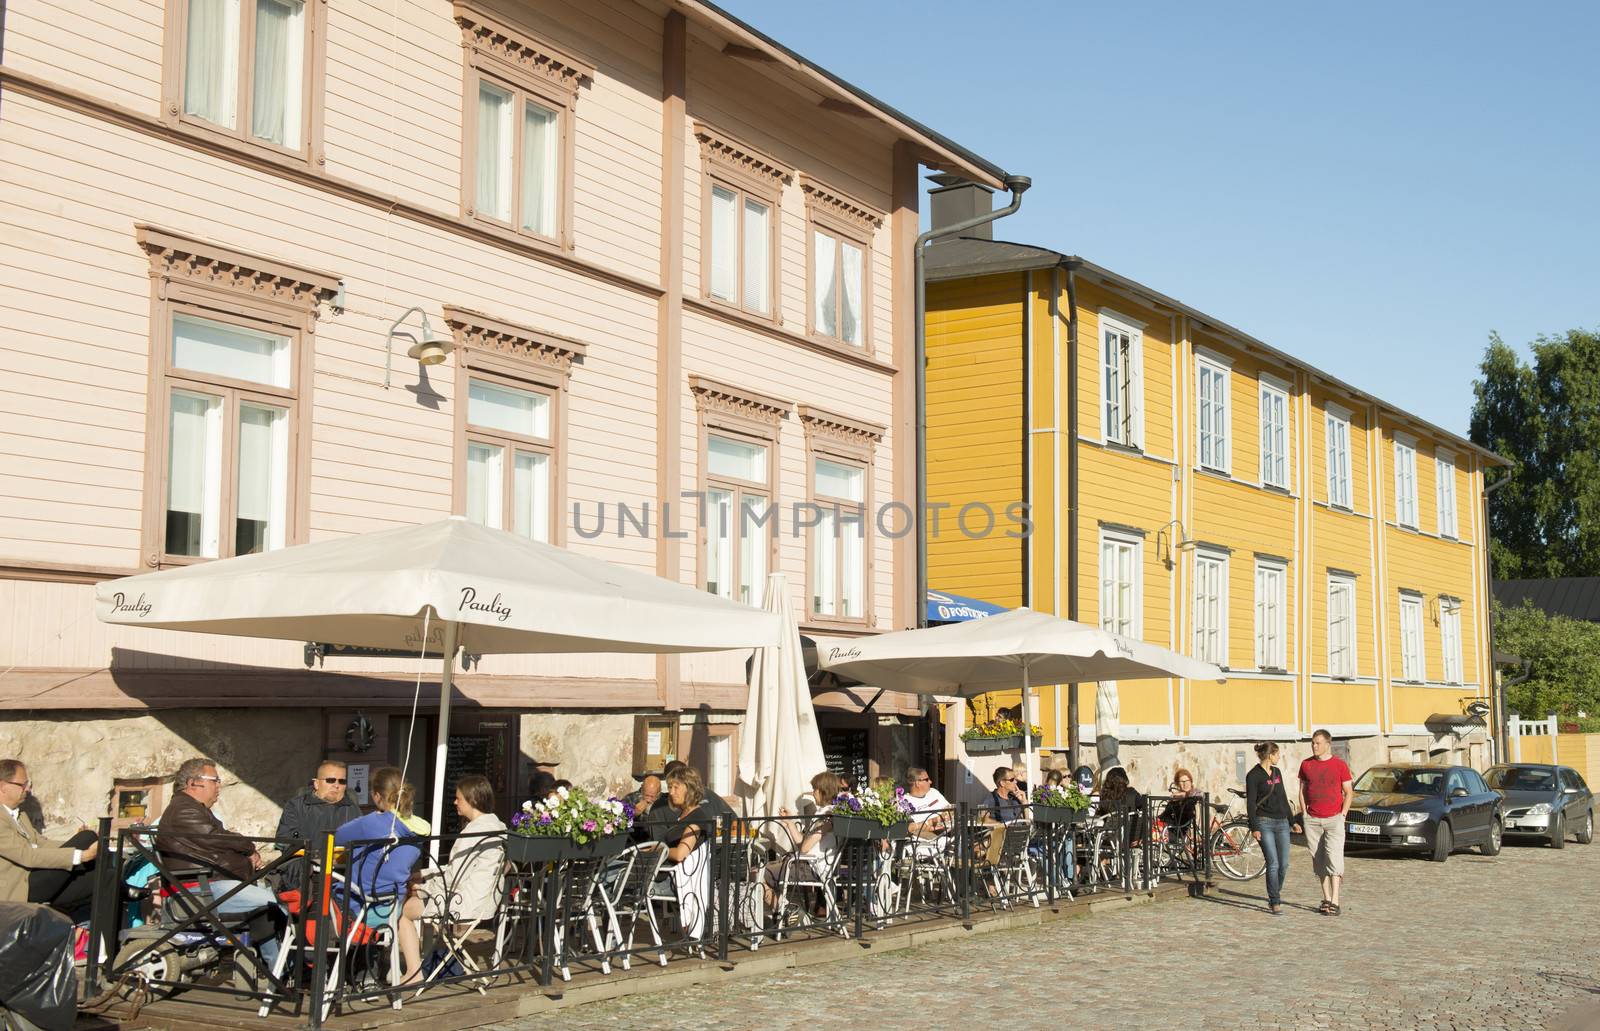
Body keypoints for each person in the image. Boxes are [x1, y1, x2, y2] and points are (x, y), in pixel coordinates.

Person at [156, 758, 285, 970]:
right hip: (201, 890)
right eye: (215, 780)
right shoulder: (184, 810)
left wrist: (245, 854)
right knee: (276, 902)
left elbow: (217, 841)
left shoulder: (194, 809)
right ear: (193, 783)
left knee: (271, 904)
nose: (219, 786)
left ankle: (278, 969)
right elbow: (216, 838)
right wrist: (248, 849)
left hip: (213, 883)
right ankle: (287, 968)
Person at [397, 774, 505, 986]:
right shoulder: (497, 826)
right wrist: (425, 874)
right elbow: (462, 868)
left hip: (462, 903)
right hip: (485, 902)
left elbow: (454, 877)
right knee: (425, 909)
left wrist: (422, 887)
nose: (455, 802)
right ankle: (431, 964)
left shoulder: (473, 832)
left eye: (459, 798)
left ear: (472, 800)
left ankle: (413, 972)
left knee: (402, 913)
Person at [0, 759, 98, 913]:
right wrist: (81, 855)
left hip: (38, 879)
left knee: (100, 878)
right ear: (3, 787)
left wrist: (74, 844)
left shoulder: (20, 814)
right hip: (21, 890)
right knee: (87, 837)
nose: (27, 790)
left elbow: (41, 843)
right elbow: (27, 855)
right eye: (23, 785)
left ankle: (123, 893)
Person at [334, 767, 422, 931]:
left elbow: (338, 836)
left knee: (315, 903)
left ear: (376, 795)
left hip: (362, 908)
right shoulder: (418, 828)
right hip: (393, 907)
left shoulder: (371, 822)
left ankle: (318, 955)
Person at [275, 760, 362, 887]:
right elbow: (285, 839)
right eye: (331, 780)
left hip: (343, 873)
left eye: (342, 781)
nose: (336, 785)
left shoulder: (353, 810)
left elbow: (362, 843)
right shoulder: (296, 806)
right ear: (316, 783)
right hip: (305, 871)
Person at [765, 772, 843, 908]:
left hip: (813, 869)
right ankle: (785, 909)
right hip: (811, 866)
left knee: (759, 873)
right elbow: (804, 844)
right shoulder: (826, 814)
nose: (813, 793)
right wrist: (789, 823)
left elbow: (805, 847)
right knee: (762, 870)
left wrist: (810, 836)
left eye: (815, 790)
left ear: (822, 791)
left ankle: (787, 910)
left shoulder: (828, 816)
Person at [1297, 729, 1352, 916]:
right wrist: (1304, 813)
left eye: (1318, 743)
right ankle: (1327, 898)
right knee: (1319, 860)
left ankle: (1336, 900)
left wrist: (1343, 814)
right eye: (1312, 742)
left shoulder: (1340, 765)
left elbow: (1348, 792)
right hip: (1312, 820)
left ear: (1328, 744)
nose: (1314, 746)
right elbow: (1302, 790)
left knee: (1334, 858)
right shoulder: (1306, 765)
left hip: (1334, 818)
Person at [1246, 742, 1294, 915]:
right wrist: (1255, 827)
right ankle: (1275, 901)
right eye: (1277, 754)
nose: (1279, 757)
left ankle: (1275, 891)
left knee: (1284, 864)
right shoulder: (1253, 775)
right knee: (1272, 863)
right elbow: (1250, 803)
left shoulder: (1277, 772)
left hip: (1281, 822)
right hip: (1264, 822)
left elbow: (1283, 797)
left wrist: (1292, 820)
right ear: (1270, 755)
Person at [903, 767, 950, 840]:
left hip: (946, 834)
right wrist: (935, 821)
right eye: (927, 779)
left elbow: (950, 810)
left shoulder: (933, 792)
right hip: (924, 842)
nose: (930, 782)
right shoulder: (904, 801)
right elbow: (911, 828)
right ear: (917, 783)